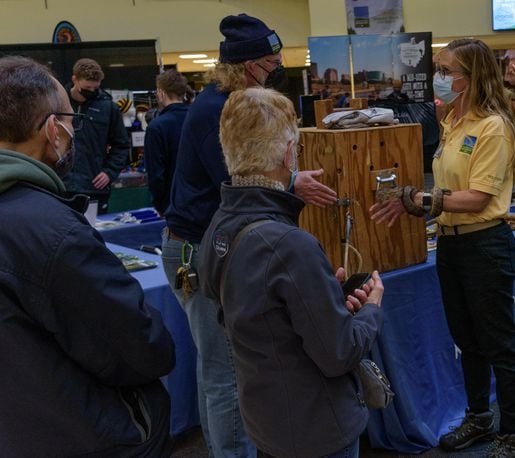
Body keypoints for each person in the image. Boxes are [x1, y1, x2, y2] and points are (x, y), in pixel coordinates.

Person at [162, 13, 337, 457]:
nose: (275, 68)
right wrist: (292, 182)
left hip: (205, 243)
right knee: (223, 372)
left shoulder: (224, 105)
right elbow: (244, 179)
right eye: (268, 62)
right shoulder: (215, 111)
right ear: (243, 67)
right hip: (196, 247)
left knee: (217, 369)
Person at [0, 55, 175, 456]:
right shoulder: (53, 233)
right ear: (51, 129)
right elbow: (143, 346)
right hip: (83, 434)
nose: (72, 132)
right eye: (68, 121)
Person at [198, 87, 384, 458]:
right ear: (287, 154)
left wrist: (321, 298)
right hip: (316, 427)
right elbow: (339, 353)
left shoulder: (218, 227)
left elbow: (256, 313)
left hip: (266, 420)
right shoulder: (288, 244)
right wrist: (370, 310)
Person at [370, 38, 515, 457]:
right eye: (438, 69)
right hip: (452, 246)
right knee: (467, 340)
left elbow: (476, 198)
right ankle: (478, 418)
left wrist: (416, 201)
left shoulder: (493, 126)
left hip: (485, 246)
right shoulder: (452, 123)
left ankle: (511, 436)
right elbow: (444, 188)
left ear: (471, 77)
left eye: (445, 71)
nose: (438, 78)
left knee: (499, 345)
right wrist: (416, 203)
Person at [62, 58, 131, 214]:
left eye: (96, 87)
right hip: (63, 186)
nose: (92, 91)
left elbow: (121, 145)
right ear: (75, 79)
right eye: (87, 87)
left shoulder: (108, 107)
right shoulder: (58, 103)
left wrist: (109, 172)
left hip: (94, 187)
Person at [144, 69, 189, 215]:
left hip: (172, 203)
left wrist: (160, 205)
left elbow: (156, 174)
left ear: (160, 93)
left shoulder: (156, 127)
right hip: (202, 200)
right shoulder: (199, 118)